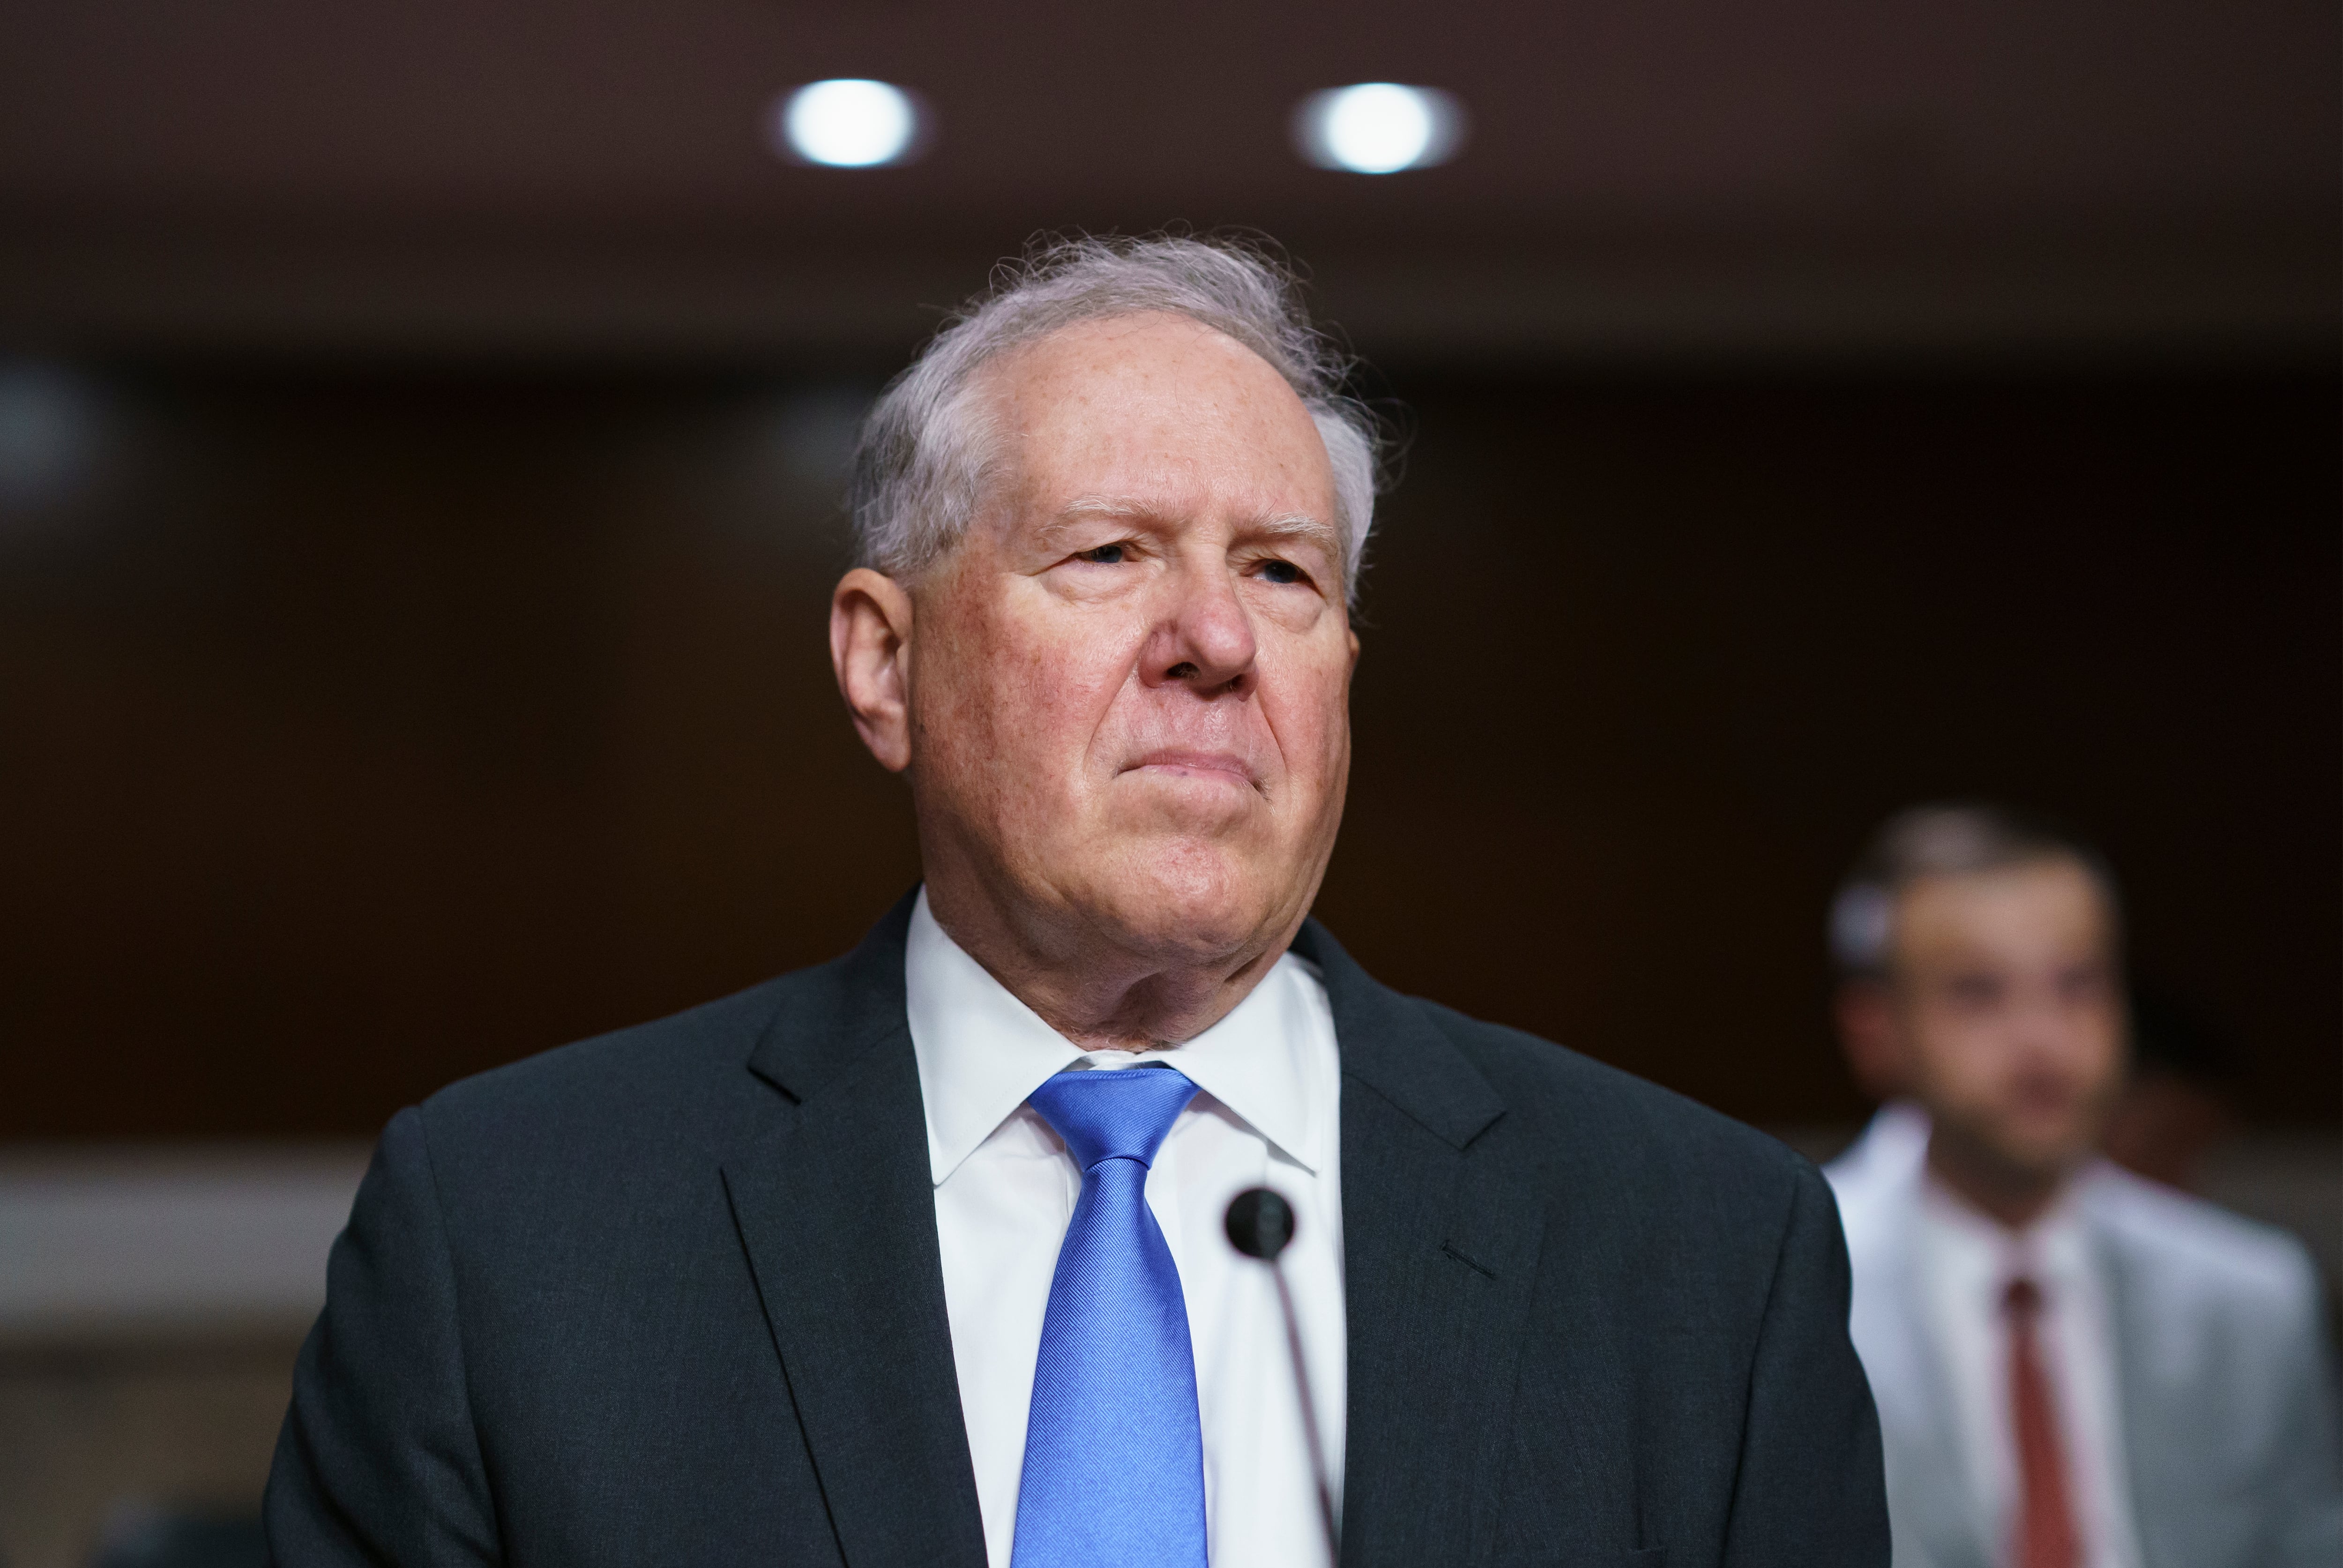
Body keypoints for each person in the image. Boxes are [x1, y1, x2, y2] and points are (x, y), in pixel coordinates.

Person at [265, 236, 1887, 1567]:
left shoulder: (1701, 1257)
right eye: (1112, 552)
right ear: (884, 661)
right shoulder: (510, 1239)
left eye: (1283, 572)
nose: (1218, 639)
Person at [1824, 804, 2342, 1568]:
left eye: (2078, 983)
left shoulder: (2251, 1300)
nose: (2042, 1037)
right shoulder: (1786, 1283)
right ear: (1876, 1032)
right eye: (1978, 991)